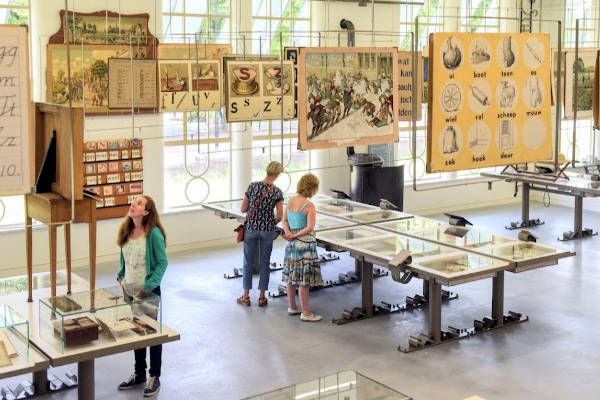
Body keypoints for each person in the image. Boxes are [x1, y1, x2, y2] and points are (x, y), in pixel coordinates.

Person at [116, 195, 167, 397]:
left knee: (152, 334)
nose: (133, 204)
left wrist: (146, 287)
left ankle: (154, 376)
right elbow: (124, 257)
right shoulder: (126, 230)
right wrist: (120, 275)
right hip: (129, 293)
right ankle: (139, 373)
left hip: (148, 293)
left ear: (146, 212)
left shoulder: (153, 234)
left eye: (139, 203)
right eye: (134, 202)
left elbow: (162, 263)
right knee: (137, 333)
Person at [237, 161, 284, 307]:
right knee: (265, 262)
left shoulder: (253, 186)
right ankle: (262, 297)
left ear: (267, 171)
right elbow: (280, 216)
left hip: (251, 228)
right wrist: (271, 221)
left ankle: (246, 296)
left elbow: (243, 209)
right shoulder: (277, 192)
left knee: (248, 261)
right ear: (277, 174)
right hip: (267, 229)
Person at [281, 173, 323, 322]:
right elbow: (310, 227)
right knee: (304, 280)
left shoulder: (290, 201)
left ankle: (292, 306)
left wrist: (289, 234)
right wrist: (297, 234)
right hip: (305, 245)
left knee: (291, 276)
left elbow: (284, 220)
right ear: (312, 188)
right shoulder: (309, 205)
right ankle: (306, 312)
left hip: (292, 244)